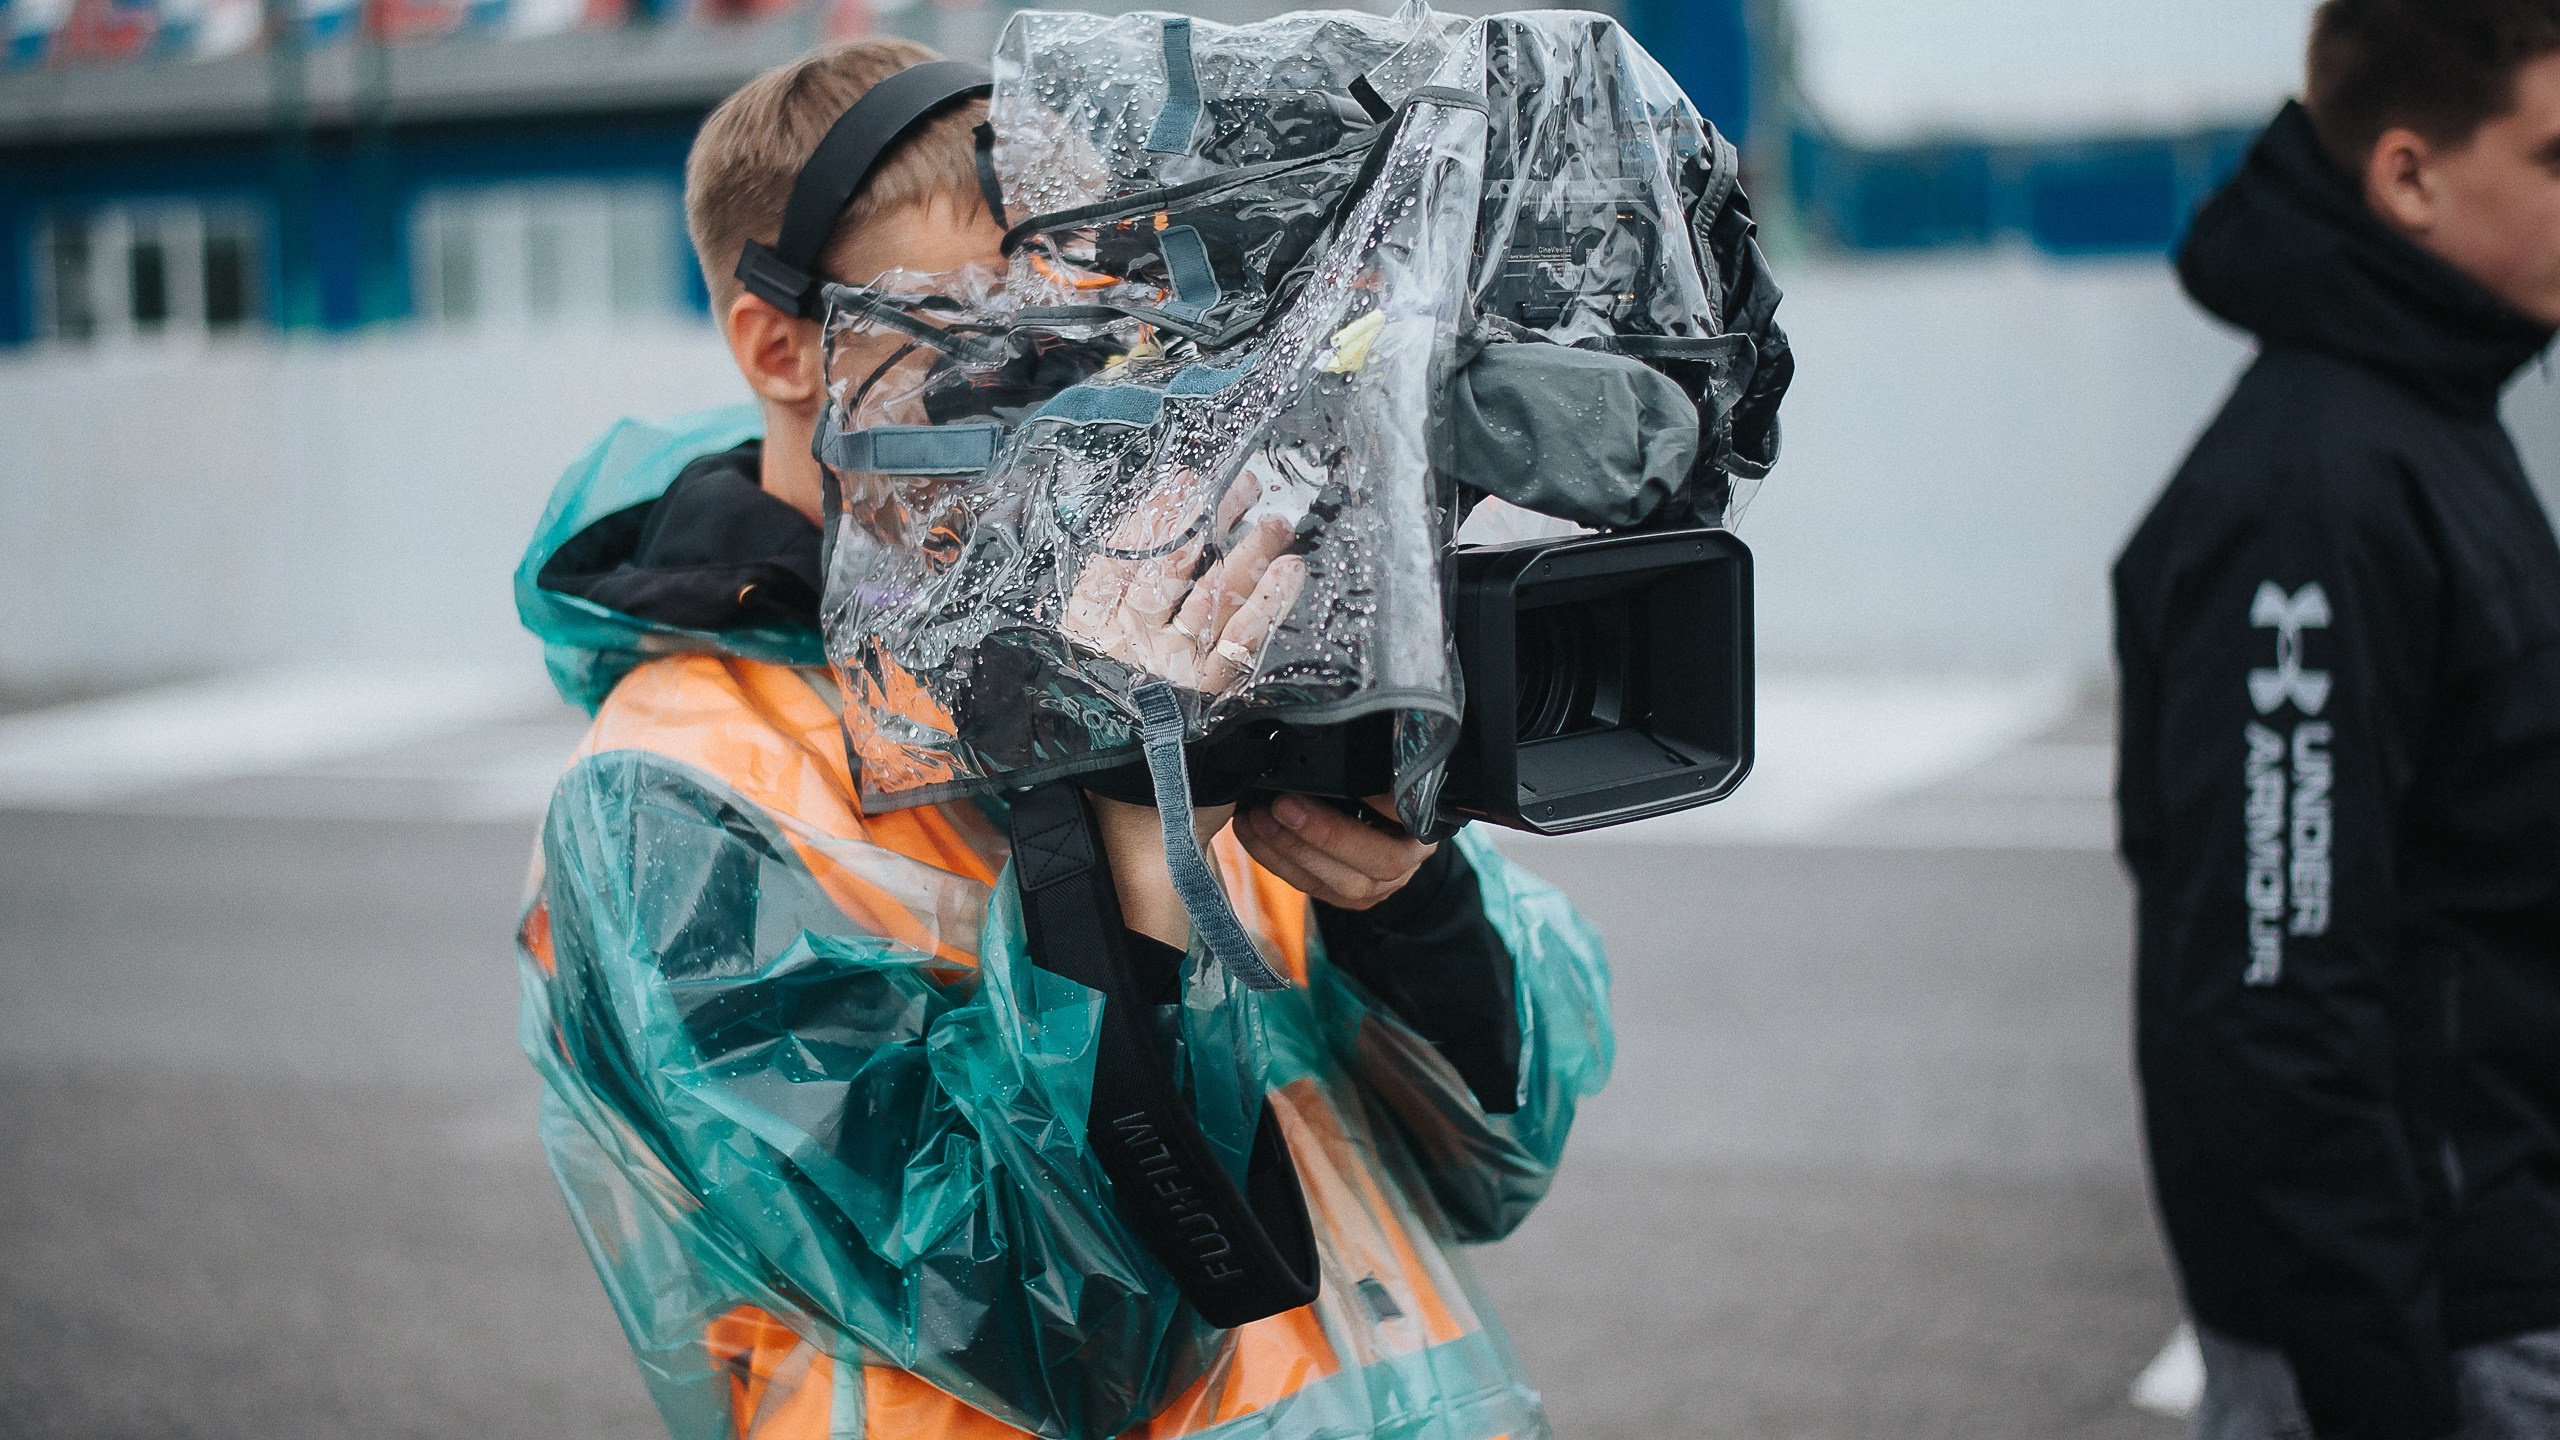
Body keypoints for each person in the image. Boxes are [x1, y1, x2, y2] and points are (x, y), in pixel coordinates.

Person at [509, 36, 1614, 1440]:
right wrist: (1129, 876)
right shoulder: (669, 796)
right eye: (981, 336)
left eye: (1092, 324)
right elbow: (1042, 1326)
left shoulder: (1168, 620)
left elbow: (1498, 1160)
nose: (1053, 391)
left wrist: (1405, 898)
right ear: (780, 348)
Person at [2114, 2, 2560, 1436]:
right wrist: (2384, 1395)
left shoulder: (2430, 423)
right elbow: (2275, 1004)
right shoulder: (2316, 489)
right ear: (2410, 176)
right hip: (2428, 1335)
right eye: (2559, 157)